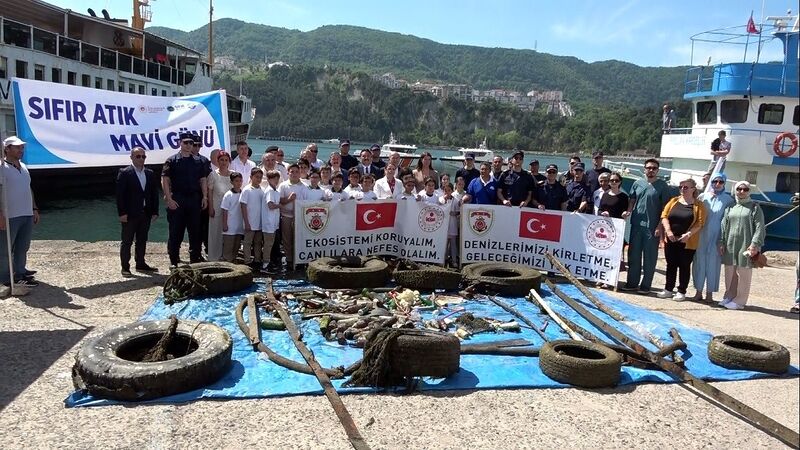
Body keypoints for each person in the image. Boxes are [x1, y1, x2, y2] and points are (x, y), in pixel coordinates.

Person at [622, 158, 671, 293]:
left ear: (658, 170)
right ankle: (632, 283)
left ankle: (646, 285)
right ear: (644, 169)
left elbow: (665, 208)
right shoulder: (638, 183)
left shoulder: (662, 186)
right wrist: (628, 212)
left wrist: (659, 227)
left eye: (654, 168)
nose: (651, 170)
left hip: (652, 227)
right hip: (636, 224)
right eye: (649, 168)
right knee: (633, 254)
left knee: (649, 257)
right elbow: (632, 200)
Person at [162, 132, 211, 268]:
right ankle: (174, 260)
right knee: (175, 231)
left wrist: (205, 197)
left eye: (192, 143)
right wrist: (169, 199)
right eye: (186, 143)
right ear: (180, 143)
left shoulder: (199, 161)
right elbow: (165, 180)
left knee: (195, 231)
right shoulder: (171, 160)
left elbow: (203, 180)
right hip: (178, 198)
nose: (189, 145)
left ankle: (194, 259)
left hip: (194, 199)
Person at [656, 178, 706, 301]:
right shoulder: (674, 201)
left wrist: (688, 234)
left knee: (684, 266)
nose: (683, 189)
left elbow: (700, 223)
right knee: (671, 265)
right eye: (681, 187)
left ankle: (681, 291)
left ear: (693, 189)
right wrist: (668, 231)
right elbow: (664, 216)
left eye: (686, 187)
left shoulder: (699, 205)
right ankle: (668, 289)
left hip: (687, 241)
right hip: (671, 239)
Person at [718, 181, 765, 310]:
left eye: (745, 189)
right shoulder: (730, 207)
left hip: (746, 244)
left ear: (749, 191)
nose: (742, 192)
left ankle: (740, 300)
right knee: (730, 271)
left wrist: (755, 244)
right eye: (739, 189)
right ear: (735, 190)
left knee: (744, 272)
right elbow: (724, 225)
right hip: (730, 243)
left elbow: (759, 227)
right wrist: (721, 241)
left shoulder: (755, 207)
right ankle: (729, 295)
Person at [0, 136, 40, 288]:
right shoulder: (2, 167)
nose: (20, 150)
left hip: (26, 213)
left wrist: (34, 208)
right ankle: (5, 278)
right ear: (7, 149)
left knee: (23, 246)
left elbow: (28, 188)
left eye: (22, 147)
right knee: (5, 248)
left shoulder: (23, 166)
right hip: (9, 214)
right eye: (17, 147)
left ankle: (20, 271)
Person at [116, 147, 159, 277]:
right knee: (127, 241)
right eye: (138, 156)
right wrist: (122, 213)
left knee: (142, 240)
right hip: (130, 213)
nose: (141, 159)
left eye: (143, 156)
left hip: (145, 212)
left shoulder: (150, 173)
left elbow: (153, 193)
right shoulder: (124, 173)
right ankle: (125, 267)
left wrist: (155, 211)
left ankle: (140, 263)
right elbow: (120, 195)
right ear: (132, 157)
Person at [691, 172, 734, 303]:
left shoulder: (729, 200)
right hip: (702, 233)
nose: (717, 184)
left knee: (713, 264)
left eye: (720, 182)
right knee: (699, 262)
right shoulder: (703, 197)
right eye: (715, 181)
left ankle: (709, 293)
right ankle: (698, 291)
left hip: (718, 235)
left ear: (724, 184)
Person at [278, 164, 307, 269]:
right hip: (286, 216)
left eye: (296, 171)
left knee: (298, 239)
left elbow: (305, 203)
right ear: (288, 173)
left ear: (299, 173)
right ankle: (289, 259)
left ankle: (298, 259)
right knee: (287, 239)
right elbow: (280, 200)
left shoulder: (304, 187)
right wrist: (289, 199)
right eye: (292, 171)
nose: (294, 174)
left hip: (299, 218)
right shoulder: (283, 185)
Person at [207, 150, 232, 261]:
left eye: (226, 160)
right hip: (217, 206)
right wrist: (210, 207)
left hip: (231, 209)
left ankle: (227, 256)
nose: (224, 162)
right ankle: (213, 257)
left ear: (229, 162)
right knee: (215, 233)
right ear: (217, 161)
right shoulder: (213, 175)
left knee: (228, 234)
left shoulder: (233, 174)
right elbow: (210, 192)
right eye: (221, 160)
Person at [239, 167, 264, 267]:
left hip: (259, 222)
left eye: (260, 177)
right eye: (256, 177)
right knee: (248, 242)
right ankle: (247, 260)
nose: (258, 179)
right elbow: (243, 206)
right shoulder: (246, 190)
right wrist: (246, 222)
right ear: (251, 177)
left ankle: (257, 260)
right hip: (249, 221)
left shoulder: (262, 190)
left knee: (258, 242)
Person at [260, 170, 282, 273]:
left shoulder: (276, 191)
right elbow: (270, 205)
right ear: (268, 179)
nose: (276, 180)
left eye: (277, 178)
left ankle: (268, 263)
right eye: (273, 178)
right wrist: (279, 206)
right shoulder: (269, 190)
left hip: (274, 222)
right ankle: (265, 265)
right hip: (268, 222)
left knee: (271, 244)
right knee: (268, 244)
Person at [220, 172, 244, 263]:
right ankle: (227, 262)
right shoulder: (228, 195)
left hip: (239, 225)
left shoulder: (243, 193)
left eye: (240, 181)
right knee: (228, 246)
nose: (239, 183)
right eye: (236, 181)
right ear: (231, 182)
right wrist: (225, 224)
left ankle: (233, 260)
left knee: (236, 245)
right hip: (230, 226)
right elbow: (224, 210)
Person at [440, 181, 461, 268]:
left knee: (453, 244)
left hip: (452, 224)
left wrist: (454, 213)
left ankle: (454, 260)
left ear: (452, 191)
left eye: (449, 190)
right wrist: (444, 200)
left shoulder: (455, 200)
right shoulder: (441, 199)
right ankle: (443, 260)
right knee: (444, 244)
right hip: (444, 225)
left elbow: (459, 212)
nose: (447, 192)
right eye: (445, 190)